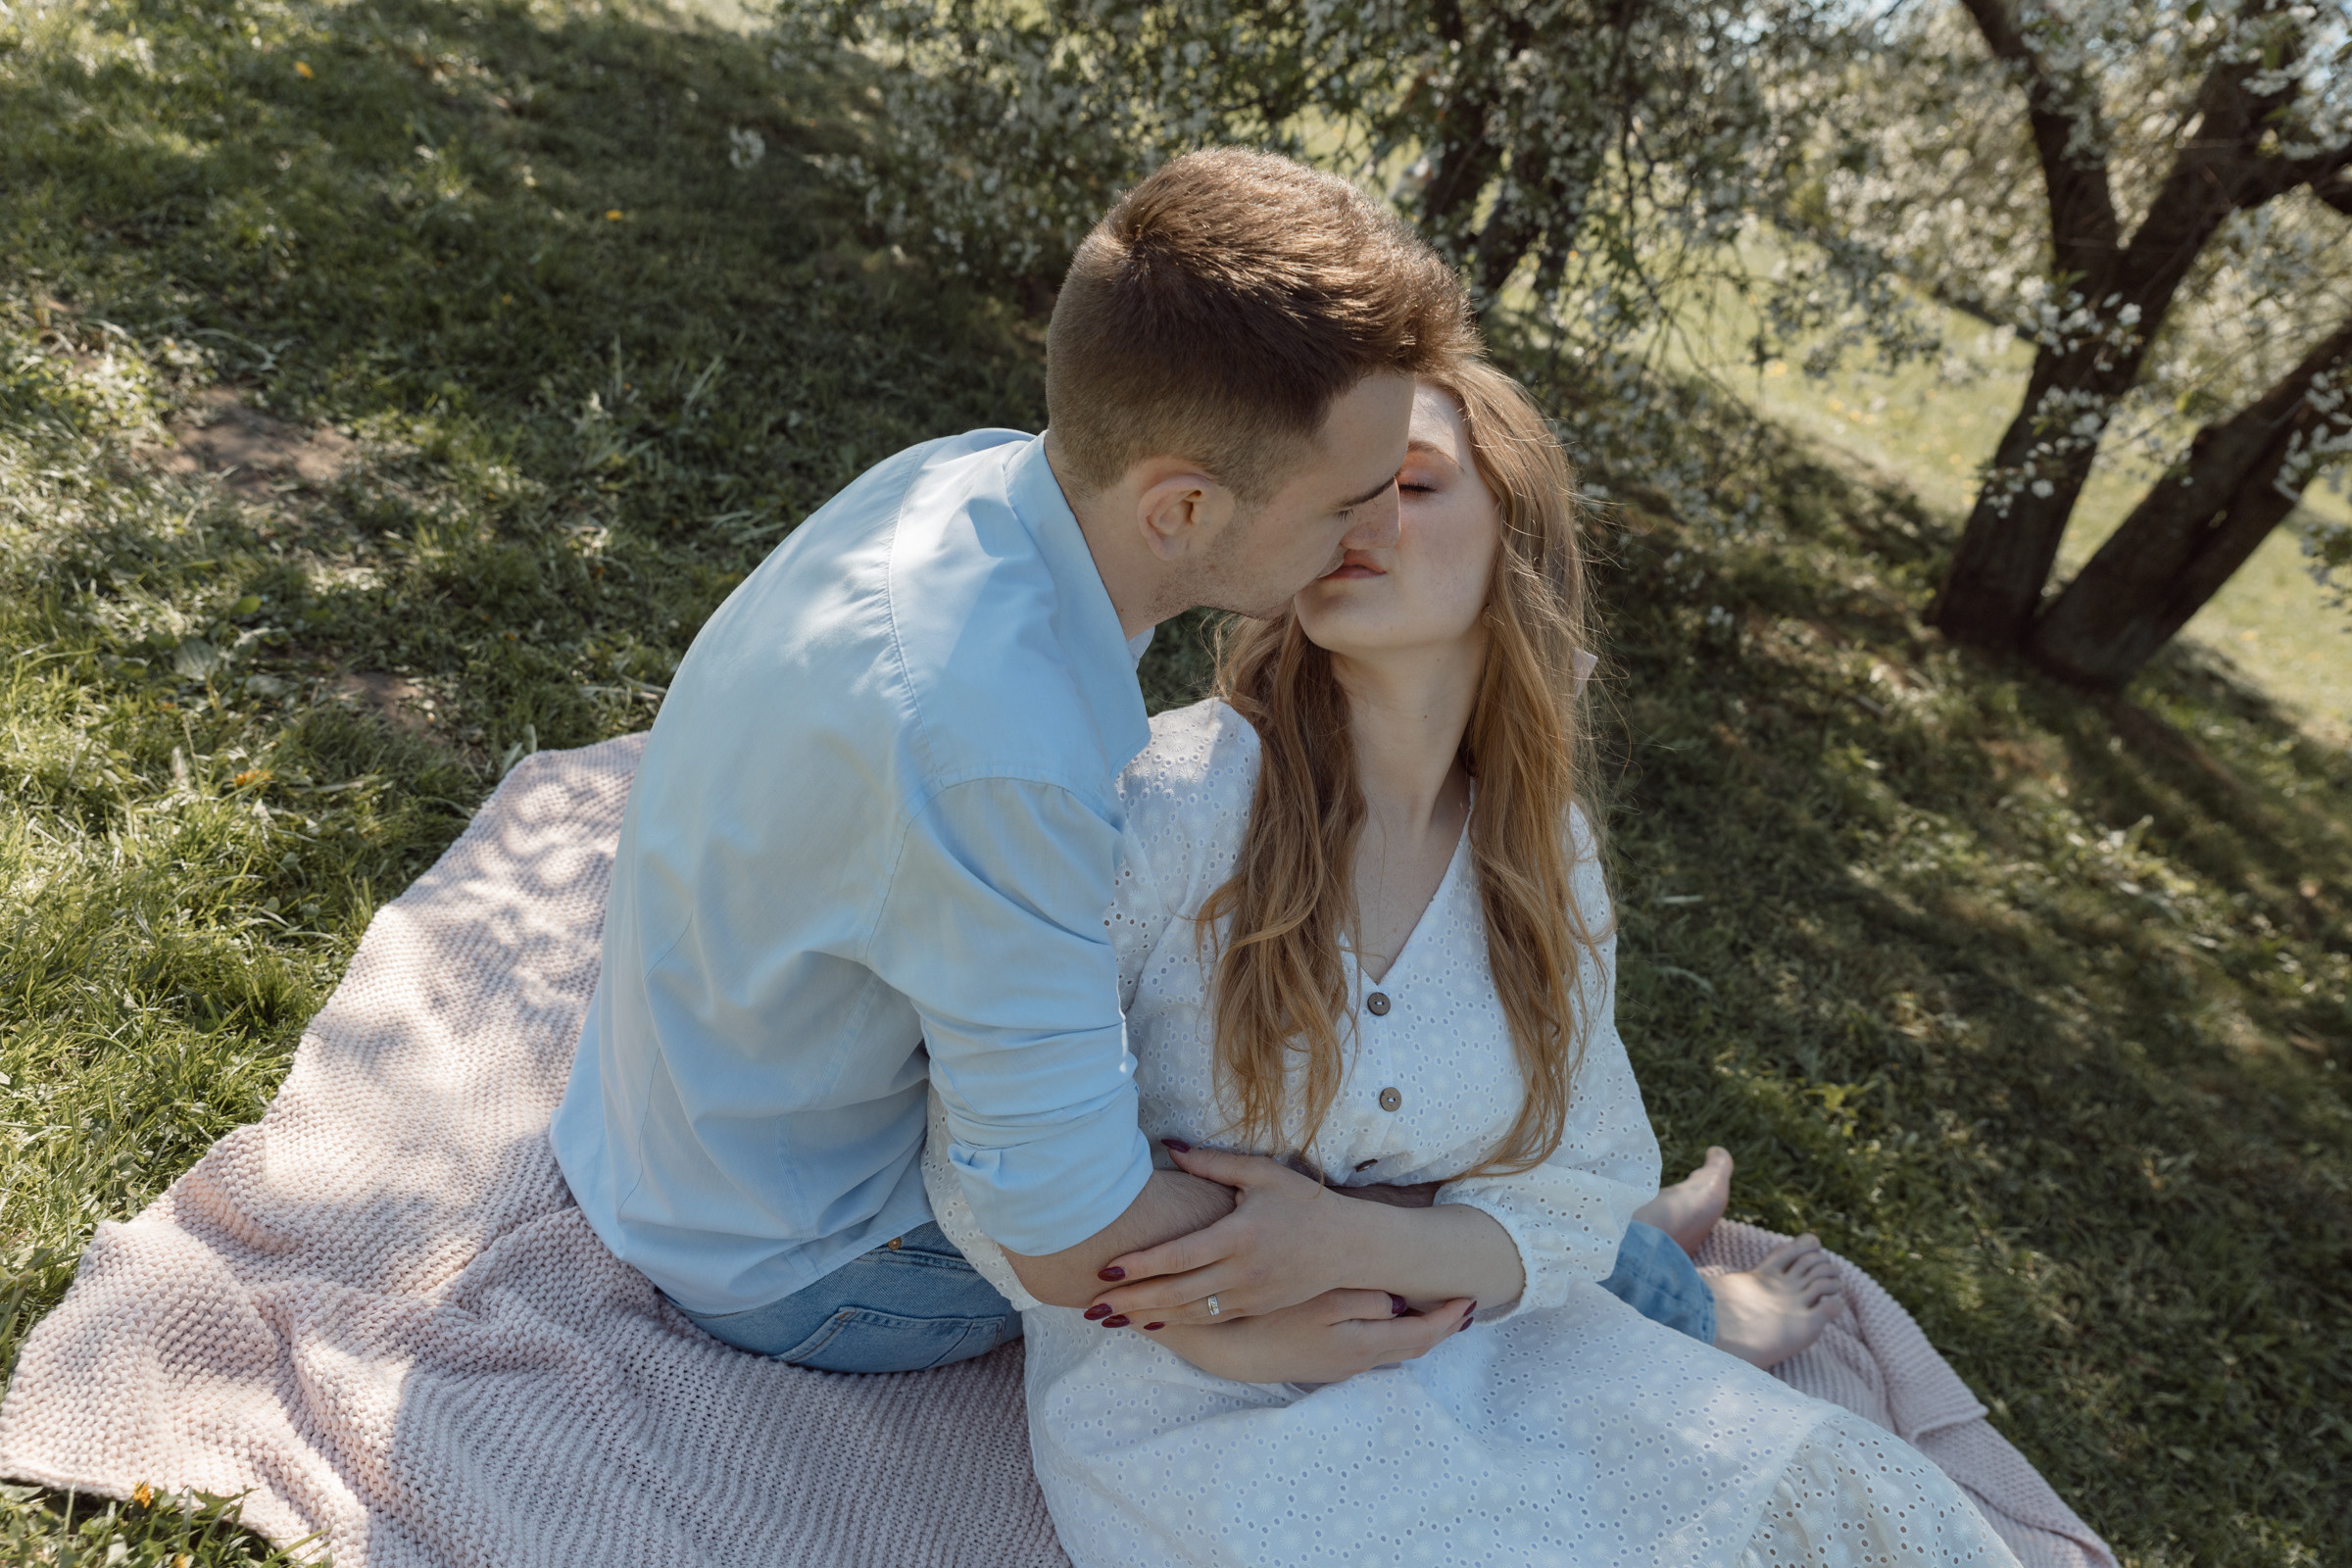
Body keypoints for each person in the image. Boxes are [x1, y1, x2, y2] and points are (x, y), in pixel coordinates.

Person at [548, 144, 1821, 1382]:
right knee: (1310, 1181)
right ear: (1185, 510)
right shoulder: (1003, 754)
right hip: (812, 1253)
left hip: (675, 1128)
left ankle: (1595, 1240)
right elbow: (1067, 1239)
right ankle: (1628, 1270)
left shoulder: (970, 488)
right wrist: (1267, 1309)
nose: (1373, 531)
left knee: (1347, 1162)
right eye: (1350, 500)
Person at [920, 359, 2022, 1566]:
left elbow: (1574, 1197)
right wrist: (1221, 1328)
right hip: (1207, 1416)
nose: (1359, 515)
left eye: (1412, 483)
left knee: (1850, 1492)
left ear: (1515, 542)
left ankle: (1692, 1314)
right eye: (1337, 485)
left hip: (1499, 1357)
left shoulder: (1544, 857)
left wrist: (1354, 1242)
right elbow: (987, 1155)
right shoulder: (1168, 800)